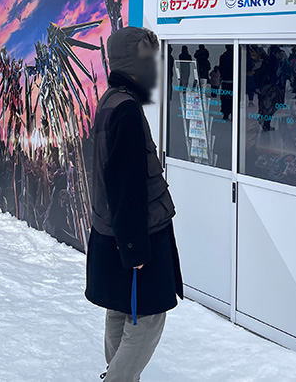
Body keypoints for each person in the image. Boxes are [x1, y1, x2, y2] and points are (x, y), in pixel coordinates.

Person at [86, 27, 182, 382]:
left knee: (122, 308)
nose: (154, 67)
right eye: (148, 59)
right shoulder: (124, 109)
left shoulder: (112, 99)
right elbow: (126, 184)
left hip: (117, 231)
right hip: (137, 234)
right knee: (146, 317)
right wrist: (134, 248)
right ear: (131, 64)